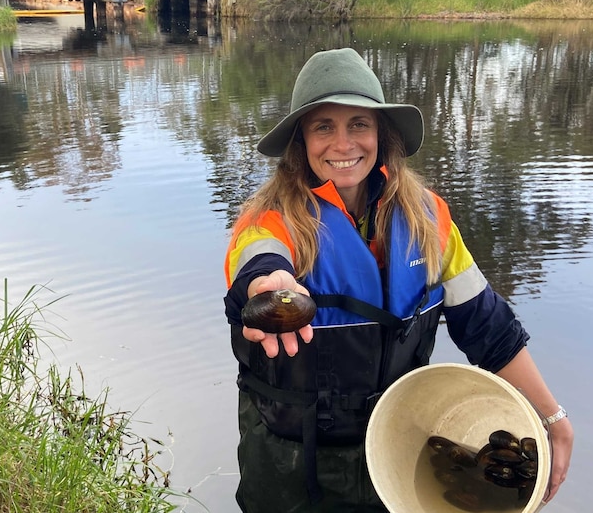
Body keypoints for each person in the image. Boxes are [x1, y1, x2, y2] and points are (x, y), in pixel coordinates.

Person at [223, 47, 573, 512]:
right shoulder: (265, 221)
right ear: (301, 141)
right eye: (323, 126)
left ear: (381, 134)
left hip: (396, 453)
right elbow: (259, 264)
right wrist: (268, 285)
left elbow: (490, 329)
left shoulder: (430, 220)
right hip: (290, 466)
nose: (343, 144)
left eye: (358, 124)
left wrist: (553, 418)